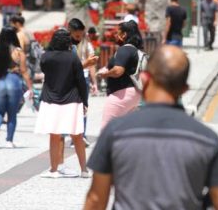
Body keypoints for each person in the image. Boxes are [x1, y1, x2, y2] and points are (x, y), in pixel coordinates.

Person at [84, 45, 218, 210]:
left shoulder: (116, 132)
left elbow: (96, 198)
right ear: (184, 89)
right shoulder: (206, 138)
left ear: (146, 79)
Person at [34, 28, 88, 178]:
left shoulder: (46, 57)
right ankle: (84, 170)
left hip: (51, 99)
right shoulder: (73, 58)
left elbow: (45, 71)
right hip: (72, 99)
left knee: (54, 135)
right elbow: (80, 81)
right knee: (77, 135)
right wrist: (85, 101)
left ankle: (54, 169)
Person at [0, 27, 33, 148]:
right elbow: (24, 71)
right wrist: (30, 87)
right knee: (12, 113)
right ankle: (9, 141)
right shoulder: (18, 52)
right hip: (13, 80)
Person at [97, 20, 142, 130]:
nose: (115, 35)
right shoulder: (134, 50)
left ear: (124, 35)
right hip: (134, 94)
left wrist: (105, 74)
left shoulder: (125, 49)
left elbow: (118, 71)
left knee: (106, 130)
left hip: (121, 94)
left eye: (118, 33)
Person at [69, 18, 99, 146]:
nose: (79, 38)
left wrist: (95, 83)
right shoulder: (66, 45)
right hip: (71, 79)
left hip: (83, 78)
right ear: (70, 31)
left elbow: (91, 65)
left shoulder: (87, 44)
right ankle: (74, 135)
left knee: (83, 108)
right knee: (71, 108)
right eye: (77, 35)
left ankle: (81, 135)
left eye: (81, 35)